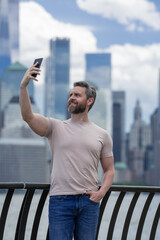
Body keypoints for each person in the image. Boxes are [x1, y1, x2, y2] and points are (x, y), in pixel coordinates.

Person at [20, 62, 114, 240]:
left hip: (89, 203)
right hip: (61, 201)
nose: (71, 97)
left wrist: (101, 192)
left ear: (89, 101)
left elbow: (109, 169)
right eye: (70, 94)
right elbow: (27, 116)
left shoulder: (103, 135)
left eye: (77, 95)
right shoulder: (55, 127)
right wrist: (24, 86)